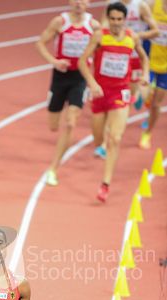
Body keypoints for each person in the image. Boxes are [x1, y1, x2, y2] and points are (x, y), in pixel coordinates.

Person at [78, 2, 149, 202]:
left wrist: (144, 75)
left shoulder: (131, 37)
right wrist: (92, 83)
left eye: (120, 19)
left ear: (124, 20)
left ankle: (105, 184)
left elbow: (144, 58)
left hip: (121, 92)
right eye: (113, 19)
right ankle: (100, 144)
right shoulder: (100, 36)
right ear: (108, 19)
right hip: (100, 93)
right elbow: (83, 61)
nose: (116, 23)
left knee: (115, 139)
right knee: (99, 140)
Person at [36, 0, 100, 186]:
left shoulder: (94, 26)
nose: (79, 3)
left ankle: (53, 169)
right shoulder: (60, 22)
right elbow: (40, 43)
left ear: (88, 3)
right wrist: (54, 61)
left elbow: (102, 51)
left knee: (71, 123)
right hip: (60, 76)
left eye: (83, 0)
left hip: (80, 77)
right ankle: (59, 112)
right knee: (53, 125)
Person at [139, 0, 167, 149]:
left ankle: (147, 133)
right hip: (148, 61)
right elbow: (139, 22)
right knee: (143, 94)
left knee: (157, 104)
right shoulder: (151, 5)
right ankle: (146, 97)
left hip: (166, 68)